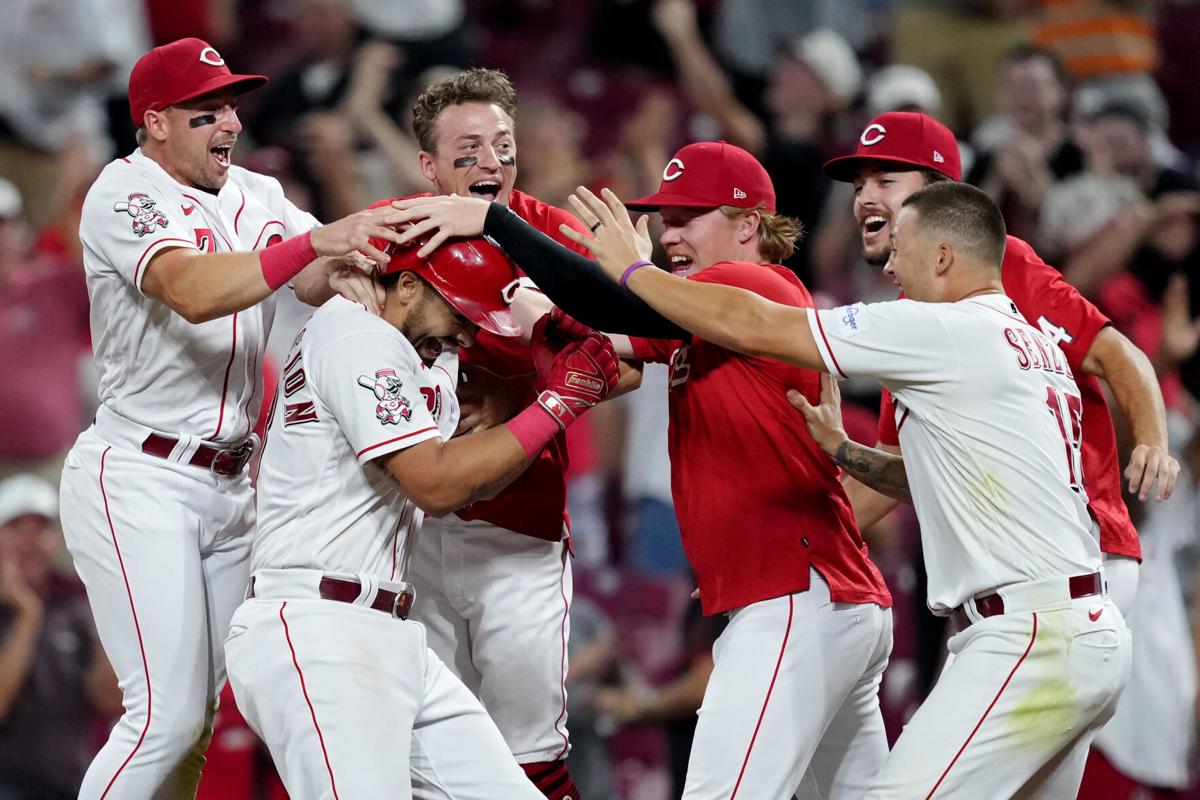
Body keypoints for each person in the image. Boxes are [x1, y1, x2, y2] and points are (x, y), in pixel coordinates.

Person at [567, 178, 1135, 797]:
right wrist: (843, 450)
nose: (890, 264)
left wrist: (631, 271)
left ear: (943, 257)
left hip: (1029, 638)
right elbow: (928, 478)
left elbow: (760, 325)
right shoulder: (1032, 344)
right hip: (1084, 627)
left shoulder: (942, 329)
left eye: (903, 249)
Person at [393, 141, 894, 800]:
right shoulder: (701, 316)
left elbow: (613, 308)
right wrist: (528, 305)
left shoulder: (754, 283)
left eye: (690, 216)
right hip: (821, 599)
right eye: (665, 217)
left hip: (796, 603)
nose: (669, 232)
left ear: (749, 226)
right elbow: (595, 338)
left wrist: (498, 225)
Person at [57, 37, 411, 799]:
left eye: (231, 107)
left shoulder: (256, 195)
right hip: (140, 476)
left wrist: (372, 248)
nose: (229, 122)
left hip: (227, 481)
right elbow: (190, 287)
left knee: (197, 721)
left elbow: (313, 276)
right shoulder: (123, 192)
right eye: (205, 111)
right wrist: (314, 243)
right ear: (154, 122)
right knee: (161, 719)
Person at [224, 235, 620, 798]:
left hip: (385, 631)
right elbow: (435, 485)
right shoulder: (357, 334)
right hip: (316, 628)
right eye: (459, 314)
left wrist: (556, 369)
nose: (464, 334)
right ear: (406, 285)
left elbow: (467, 483)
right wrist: (557, 404)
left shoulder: (416, 352)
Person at [376, 67, 637, 800]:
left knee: (531, 752)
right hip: (411, 534)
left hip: (520, 528)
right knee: (423, 753)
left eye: (503, 143)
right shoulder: (391, 232)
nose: (491, 160)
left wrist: (527, 383)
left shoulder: (553, 237)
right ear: (426, 164)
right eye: (468, 147)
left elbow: (631, 363)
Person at [822, 110, 1176, 616]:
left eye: (886, 180)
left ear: (941, 194)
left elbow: (1116, 353)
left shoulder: (1003, 264)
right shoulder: (909, 317)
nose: (865, 199)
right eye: (859, 186)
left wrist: (1153, 442)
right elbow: (893, 475)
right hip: (1014, 560)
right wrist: (793, 556)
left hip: (1078, 546)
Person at [0, 474, 123, 800]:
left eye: (40, 528)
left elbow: (107, 701)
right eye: (16, 529)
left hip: (72, 785)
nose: (30, 542)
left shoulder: (75, 605)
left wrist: (109, 618)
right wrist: (27, 616)